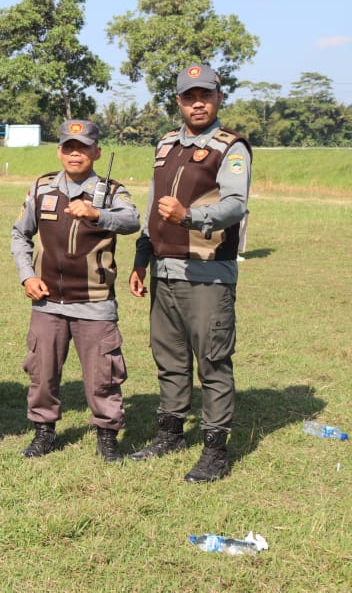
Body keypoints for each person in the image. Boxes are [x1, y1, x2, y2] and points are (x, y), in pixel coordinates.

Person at [128, 64, 251, 483]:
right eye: (188, 96)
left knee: (213, 360)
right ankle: (170, 433)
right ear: (178, 101)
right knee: (169, 357)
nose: (197, 102)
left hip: (208, 272)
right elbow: (151, 205)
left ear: (219, 97)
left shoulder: (230, 147)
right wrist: (141, 258)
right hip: (165, 271)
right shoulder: (165, 145)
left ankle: (215, 449)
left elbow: (235, 204)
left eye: (205, 94)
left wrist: (190, 217)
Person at [11, 120, 140, 462]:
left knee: (103, 376)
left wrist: (97, 214)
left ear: (96, 152)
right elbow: (19, 235)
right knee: (42, 373)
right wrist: (27, 276)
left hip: (95, 302)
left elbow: (131, 221)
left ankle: (107, 436)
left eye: (82, 147)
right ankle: (44, 433)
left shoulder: (112, 191)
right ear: (59, 151)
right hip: (47, 301)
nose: (75, 153)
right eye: (69, 147)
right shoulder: (42, 188)